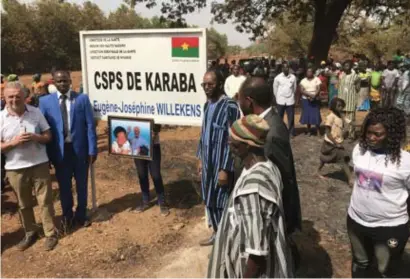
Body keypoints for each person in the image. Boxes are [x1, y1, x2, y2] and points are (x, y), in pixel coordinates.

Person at [207, 115, 294, 278]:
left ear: (246, 146)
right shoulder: (269, 167)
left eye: (232, 139)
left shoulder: (253, 188)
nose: (228, 142)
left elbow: (256, 254)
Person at [237, 77, 302, 268]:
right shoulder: (266, 121)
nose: (239, 104)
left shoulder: (271, 134)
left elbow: (282, 179)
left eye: (239, 99)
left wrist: (285, 222)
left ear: (249, 101)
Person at [347, 107, 410, 277]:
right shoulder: (359, 149)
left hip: (390, 227)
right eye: (368, 132)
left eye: (378, 134)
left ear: (392, 134)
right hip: (356, 221)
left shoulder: (405, 162)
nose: (371, 138)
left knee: (386, 269)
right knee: (361, 263)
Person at [0, 81, 58, 251]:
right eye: (10, 96)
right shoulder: (1, 118)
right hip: (15, 168)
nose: (14, 99)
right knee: (24, 204)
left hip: (39, 164)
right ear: (4, 98)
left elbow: (48, 135)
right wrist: (13, 143)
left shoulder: (35, 112)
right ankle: (30, 232)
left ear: (25, 96)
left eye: (18, 96)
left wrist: (36, 137)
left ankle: (50, 234)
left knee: (45, 201)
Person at [39, 67, 97, 230]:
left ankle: (81, 215)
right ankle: (67, 216)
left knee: (82, 185)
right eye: (59, 81)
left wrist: (92, 149)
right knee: (64, 187)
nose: (62, 83)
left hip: (79, 151)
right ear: (54, 82)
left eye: (65, 80)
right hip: (59, 152)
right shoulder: (45, 102)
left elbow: (90, 126)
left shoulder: (82, 99)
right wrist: (47, 155)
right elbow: (44, 129)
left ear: (70, 81)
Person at [197, 69, 241, 246]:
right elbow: (203, 133)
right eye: (204, 84)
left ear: (220, 84)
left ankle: (226, 239)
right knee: (209, 197)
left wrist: (226, 168)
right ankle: (217, 233)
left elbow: (234, 139)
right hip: (207, 162)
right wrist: (200, 158)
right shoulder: (207, 105)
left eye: (210, 84)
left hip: (221, 165)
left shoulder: (230, 106)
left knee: (222, 200)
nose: (206, 88)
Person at [132, 124, 169, 216]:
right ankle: (145, 202)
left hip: (153, 145)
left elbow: (158, 119)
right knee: (142, 174)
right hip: (137, 144)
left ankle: (162, 202)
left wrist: (155, 131)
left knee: (156, 175)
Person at [317, 98, 352, 184]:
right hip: (330, 143)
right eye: (338, 106)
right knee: (325, 159)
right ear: (333, 106)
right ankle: (350, 179)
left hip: (338, 142)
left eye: (341, 106)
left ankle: (350, 179)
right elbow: (328, 132)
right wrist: (336, 143)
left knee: (342, 159)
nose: (340, 108)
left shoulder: (341, 115)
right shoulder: (330, 117)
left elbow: (350, 122)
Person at [273, 62, 297, 137]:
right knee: (279, 118)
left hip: (290, 100)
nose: (286, 68)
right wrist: (278, 98)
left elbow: (294, 88)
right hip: (280, 100)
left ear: (289, 68)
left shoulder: (293, 77)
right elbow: (275, 89)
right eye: (284, 67)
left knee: (291, 118)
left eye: (287, 67)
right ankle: (280, 132)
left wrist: (291, 95)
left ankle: (291, 132)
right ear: (282, 68)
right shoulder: (277, 78)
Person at [338, 60, 360, 141]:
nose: (346, 67)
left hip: (351, 100)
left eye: (347, 66)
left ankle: (351, 135)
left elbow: (357, 89)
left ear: (351, 67)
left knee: (351, 119)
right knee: (341, 118)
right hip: (341, 100)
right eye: (344, 66)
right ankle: (341, 134)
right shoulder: (341, 75)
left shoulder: (356, 77)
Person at [299, 67, 322, 136]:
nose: (309, 73)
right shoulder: (303, 80)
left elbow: (318, 88)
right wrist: (309, 96)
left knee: (316, 114)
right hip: (306, 99)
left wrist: (314, 96)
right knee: (307, 115)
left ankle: (318, 130)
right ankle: (309, 130)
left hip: (315, 98)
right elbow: (302, 90)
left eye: (311, 71)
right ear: (306, 73)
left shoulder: (317, 79)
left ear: (313, 73)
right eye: (308, 71)